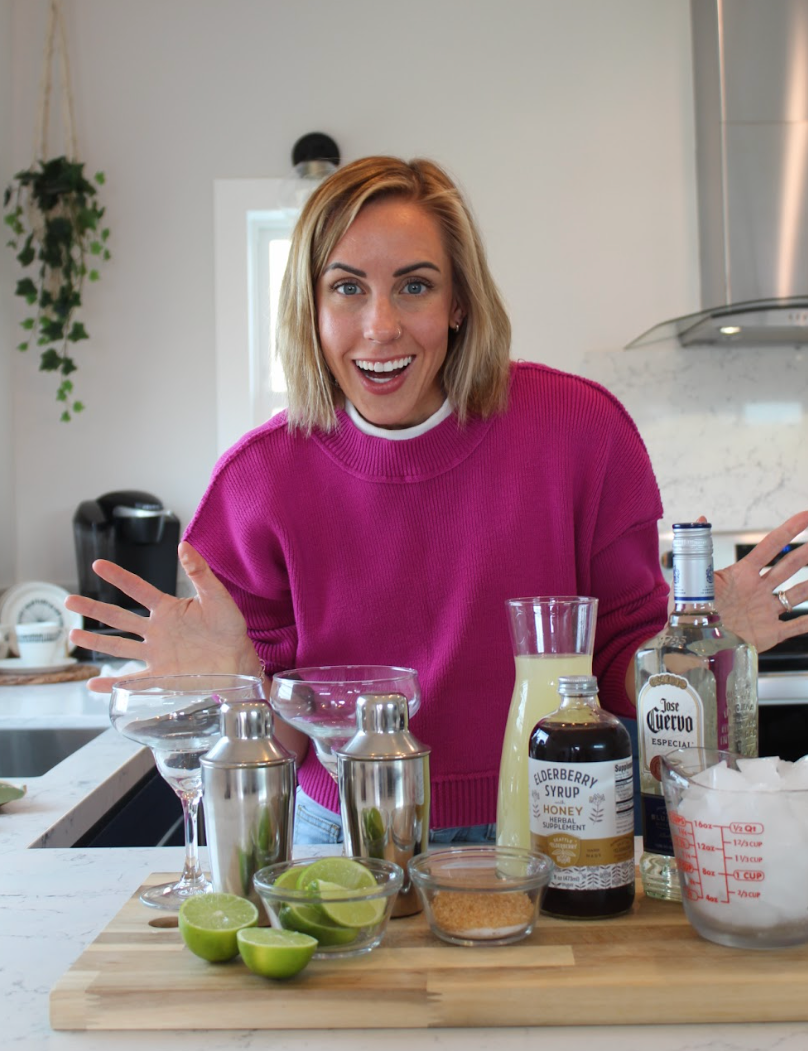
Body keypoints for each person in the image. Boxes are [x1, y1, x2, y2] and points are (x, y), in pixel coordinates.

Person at [67, 156, 808, 845]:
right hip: (347, 833)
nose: (380, 325)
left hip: (562, 817)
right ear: (312, 309)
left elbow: (618, 656)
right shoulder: (256, 480)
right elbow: (281, 749)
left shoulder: (580, 430)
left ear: (458, 303)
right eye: (347, 287)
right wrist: (240, 688)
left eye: (415, 286)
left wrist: (692, 649)